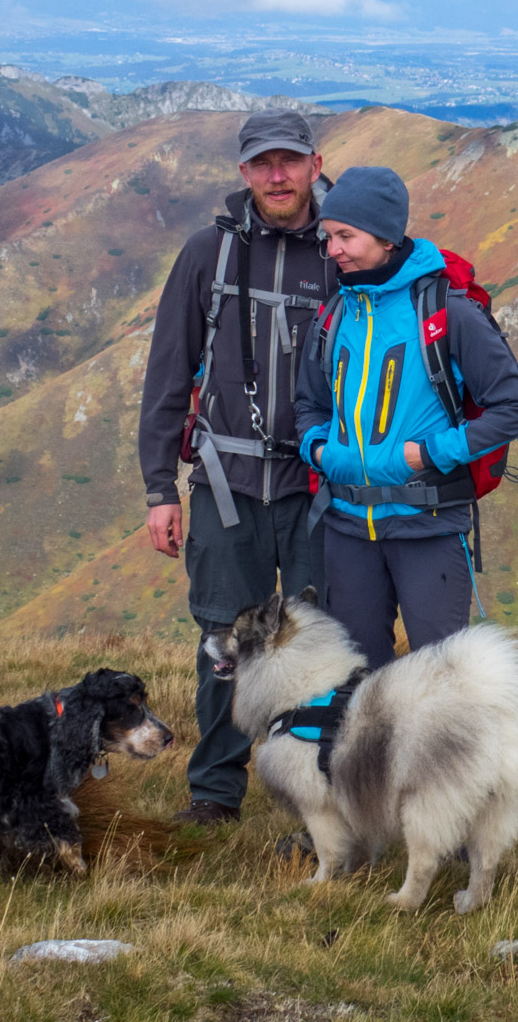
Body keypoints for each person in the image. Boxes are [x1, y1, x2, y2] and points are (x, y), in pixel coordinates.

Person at [138, 110, 334, 826]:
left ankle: (318, 797)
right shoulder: (206, 255)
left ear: (316, 164)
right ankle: (215, 794)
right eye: (262, 164)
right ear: (243, 172)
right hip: (225, 488)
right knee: (224, 642)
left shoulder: (344, 250)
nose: (276, 176)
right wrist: (160, 489)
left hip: (320, 490)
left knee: (314, 646)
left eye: (289, 161)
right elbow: (166, 375)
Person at [294, 165, 518, 668]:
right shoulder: (335, 313)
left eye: (345, 236)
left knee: (440, 682)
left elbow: (516, 406)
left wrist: (427, 453)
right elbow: (309, 404)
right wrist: (318, 449)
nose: (332, 249)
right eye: (328, 237)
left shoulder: (447, 311)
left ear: (385, 238)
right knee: (356, 679)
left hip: (428, 526)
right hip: (346, 527)